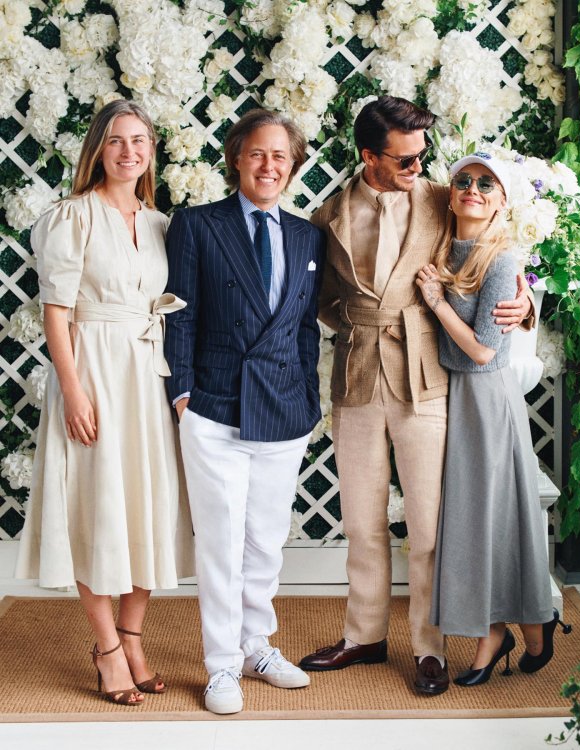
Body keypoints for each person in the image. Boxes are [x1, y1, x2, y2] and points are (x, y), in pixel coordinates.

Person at [299, 96, 533, 695]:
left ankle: (430, 647)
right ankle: (363, 637)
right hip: (356, 378)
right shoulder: (329, 216)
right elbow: (317, 297)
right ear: (369, 157)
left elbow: (495, 246)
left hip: (426, 380)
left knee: (428, 527)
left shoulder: (439, 198)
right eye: (404, 160)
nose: (418, 167)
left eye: (421, 156)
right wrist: (357, 325)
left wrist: (527, 300)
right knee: (361, 523)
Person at [16, 100, 194, 706]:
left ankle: (133, 637)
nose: (128, 151)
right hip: (92, 369)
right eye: (116, 140)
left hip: (148, 372)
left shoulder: (161, 223)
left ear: (151, 151)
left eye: (139, 140)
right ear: (98, 148)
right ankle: (107, 649)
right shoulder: (73, 217)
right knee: (95, 504)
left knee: (147, 502)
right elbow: (56, 313)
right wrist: (72, 390)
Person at [164, 109, 324, 715]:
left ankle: (257, 645)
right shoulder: (198, 224)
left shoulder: (307, 236)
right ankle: (221, 666)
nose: (269, 165)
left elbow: (304, 328)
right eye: (258, 153)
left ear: (293, 165)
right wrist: (182, 392)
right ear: (236, 158)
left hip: (283, 408)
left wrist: (307, 398)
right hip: (214, 405)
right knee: (221, 543)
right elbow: (179, 311)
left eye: (280, 156)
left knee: (265, 542)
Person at [416, 153, 567, 686]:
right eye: (464, 180)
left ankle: (503, 630)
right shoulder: (443, 245)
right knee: (476, 519)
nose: (473, 190)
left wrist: (437, 302)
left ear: (503, 200)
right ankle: (519, 624)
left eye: (486, 184)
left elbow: (482, 349)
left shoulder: (500, 260)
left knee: (494, 517)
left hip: (487, 399)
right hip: (456, 395)